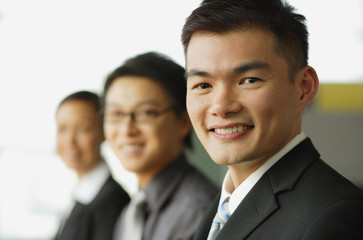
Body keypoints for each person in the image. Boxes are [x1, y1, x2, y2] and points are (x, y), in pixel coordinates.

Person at [181, 0, 363, 239]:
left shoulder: (335, 215)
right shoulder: (222, 206)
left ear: (303, 88)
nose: (221, 107)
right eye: (203, 85)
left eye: (249, 80)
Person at [102, 52, 219, 240]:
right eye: (115, 114)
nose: (126, 129)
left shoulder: (197, 213)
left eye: (146, 113)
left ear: (183, 121)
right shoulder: (130, 213)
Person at [54, 91, 130, 240]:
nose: (70, 140)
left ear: (103, 131)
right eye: (62, 129)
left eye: (83, 129)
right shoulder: (80, 193)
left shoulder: (112, 200)